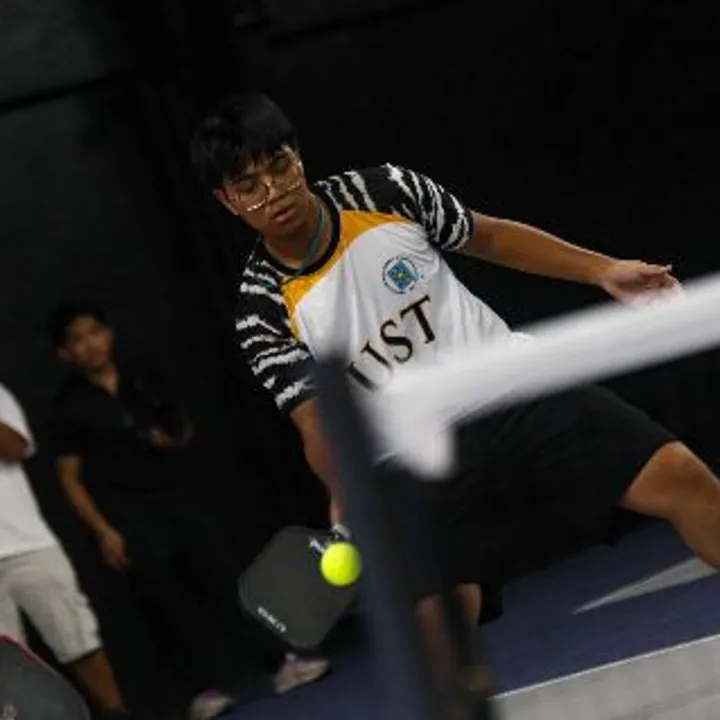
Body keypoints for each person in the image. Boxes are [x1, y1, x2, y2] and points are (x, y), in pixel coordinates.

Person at [190, 93, 720, 670]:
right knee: (438, 640)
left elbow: (486, 235)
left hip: (513, 389)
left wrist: (603, 270)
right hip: (415, 459)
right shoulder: (260, 310)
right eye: (249, 186)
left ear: (298, 155)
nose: (274, 192)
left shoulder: (383, 191)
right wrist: (349, 490)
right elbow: (314, 421)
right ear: (227, 202)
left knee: (680, 476)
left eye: (279, 166)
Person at [45, 302, 329, 720]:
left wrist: (170, 437)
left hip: (175, 497)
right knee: (166, 604)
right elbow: (69, 478)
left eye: (95, 332)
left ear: (108, 332)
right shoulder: (67, 407)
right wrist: (104, 531)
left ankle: (283, 661)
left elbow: (183, 428)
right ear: (64, 352)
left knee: (224, 580)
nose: (91, 344)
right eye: (78, 339)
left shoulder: (140, 376)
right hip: (125, 515)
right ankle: (200, 692)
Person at [0, 381, 134, 719]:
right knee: (6, 672)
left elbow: (15, 447)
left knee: (78, 641)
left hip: (27, 545)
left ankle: (116, 715)